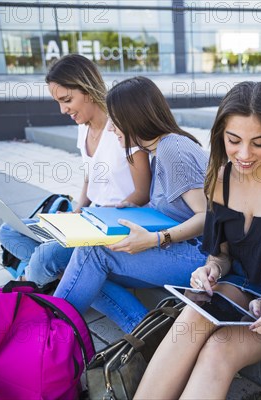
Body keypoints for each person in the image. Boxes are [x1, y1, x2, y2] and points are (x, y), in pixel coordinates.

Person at [135, 81, 261, 399]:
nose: (244, 155)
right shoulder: (221, 179)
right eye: (234, 140)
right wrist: (211, 271)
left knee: (220, 349)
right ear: (221, 134)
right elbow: (220, 255)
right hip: (240, 282)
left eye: (259, 143)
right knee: (191, 316)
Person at [54, 76, 208, 333]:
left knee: (93, 251)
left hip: (200, 256)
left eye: (115, 120)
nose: (111, 129)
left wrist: (155, 239)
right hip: (180, 248)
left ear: (133, 117)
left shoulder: (172, 149)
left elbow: (206, 217)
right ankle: (145, 331)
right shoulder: (157, 151)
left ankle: (50, 333)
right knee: (89, 269)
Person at [0, 54, 151, 288]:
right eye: (58, 102)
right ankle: (63, 274)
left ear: (87, 90)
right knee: (8, 231)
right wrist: (77, 212)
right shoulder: (84, 128)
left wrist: (97, 217)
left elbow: (143, 193)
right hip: (88, 219)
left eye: (66, 99)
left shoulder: (122, 127)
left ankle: (28, 282)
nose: (62, 110)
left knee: (45, 256)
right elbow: (90, 177)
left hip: (114, 225)